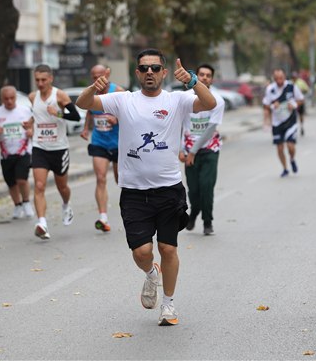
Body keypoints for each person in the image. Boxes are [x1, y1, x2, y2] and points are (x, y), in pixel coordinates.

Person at [76, 48, 218, 326]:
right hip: (133, 191)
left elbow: (209, 102)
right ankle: (152, 273)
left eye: (155, 68)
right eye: (144, 68)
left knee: (168, 248)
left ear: (164, 72)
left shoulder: (176, 100)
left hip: (168, 189)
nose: (149, 72)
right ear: (137, 73)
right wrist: (94, 87)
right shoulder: (123, 100)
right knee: (141, 252)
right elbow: (83, 103)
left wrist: (192, 81)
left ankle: (168, 304)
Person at [25, 64, 80, 240]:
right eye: (37, 80)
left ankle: (66, 204)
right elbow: (37, 114)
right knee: (39, 185)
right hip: (40, 147)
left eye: (43, 80)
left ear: (50, 79)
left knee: (62, 186)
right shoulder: (32, 97)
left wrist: (58, 114)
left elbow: (76, 116)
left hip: (59, 148)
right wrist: (29, 123)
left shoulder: (60, 95)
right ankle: (42, 223)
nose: (40, 83)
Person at [180, 63, 225, 236]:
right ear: (196, 76)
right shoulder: (185, 98)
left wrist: (193, 151)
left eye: (208, 75)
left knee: (206, 186)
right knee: (193, 189)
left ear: (212, 79)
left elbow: (211, 128)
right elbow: (180, 125)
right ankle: (193, 213)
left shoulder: (217, 100)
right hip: (188, 150)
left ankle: (207, 222)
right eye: (202, 74)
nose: (205, 77)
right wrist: (181, 149)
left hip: (209, 149)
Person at [80, 64, 125, 233]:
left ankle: (131, 210)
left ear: (107, 74)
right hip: (99, 142)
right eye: (93, 77)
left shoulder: (118, 91)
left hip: (118, 143)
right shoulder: (91, 92)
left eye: (100, 75)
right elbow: (89, 111)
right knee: (100, 178)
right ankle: (103, 217)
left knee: (121, 180)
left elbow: (132, 113)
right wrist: (86, 128)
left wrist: (117, 119)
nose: (97, 79)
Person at [0, 85, 35, 220]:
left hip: (23, 151)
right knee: (11, 182)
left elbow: (33, 126)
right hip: (6, 152)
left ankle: (26, 202)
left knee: (22, 179)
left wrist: (30, 131)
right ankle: (17, 205)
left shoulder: (25, 110)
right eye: (6, 98)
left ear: (16, 97)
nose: (9, 101)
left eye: (12, 98)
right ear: (1, 99)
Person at [263, 69, 304, 177]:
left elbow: (301, 99)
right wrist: (273, 106)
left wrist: (294, 105)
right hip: (277, 123)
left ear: (284, 77)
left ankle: (292, 159)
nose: (279, 81)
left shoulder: (291, 86)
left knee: (290, 146)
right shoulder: (270, 89)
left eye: (281, 78)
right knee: (280, 148)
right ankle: (285, 168)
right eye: (276, 79)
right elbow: (266, 105)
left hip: (290, 121)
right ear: (274, 78)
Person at [291, 72, 309, 136]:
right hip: (292, 102)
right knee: (293, 116)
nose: (294, 78)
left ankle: (301, 126)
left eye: (295, 77)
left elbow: (307, 89)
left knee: (301, 115)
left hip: (300, 102)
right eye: (293, 77)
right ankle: (293, 128)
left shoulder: (301, 82)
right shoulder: (290, 83)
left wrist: (302, 91)